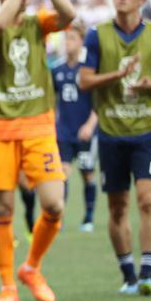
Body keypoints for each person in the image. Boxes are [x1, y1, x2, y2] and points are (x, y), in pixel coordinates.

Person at [0, 0, 76, 301]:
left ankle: (31, 267)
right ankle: (7, 286)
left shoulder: (38, 24)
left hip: (39, 128)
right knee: (2, 210)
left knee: (54, 204)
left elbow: (70, 14)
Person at [78, 0, 151, 295]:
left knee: (147, 200)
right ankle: (128, 274)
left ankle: (148, 271)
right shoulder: (96, 36)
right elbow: (84, 80)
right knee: (117, 207)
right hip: (110, 133)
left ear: (142, 0)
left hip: (147, 133)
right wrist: (118, 75)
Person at [51, 20, 99, 231]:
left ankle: (88, 218)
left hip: (85, 132)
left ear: (81, 42)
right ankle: (59, 216)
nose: (67, 42)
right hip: (64, 131)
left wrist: (90, 125)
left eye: (72, 38)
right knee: (62, 174)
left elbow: (98, 102)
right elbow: (52, 100)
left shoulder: (88, 70)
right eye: (65, 38)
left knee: (87, 173)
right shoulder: (57, 69)